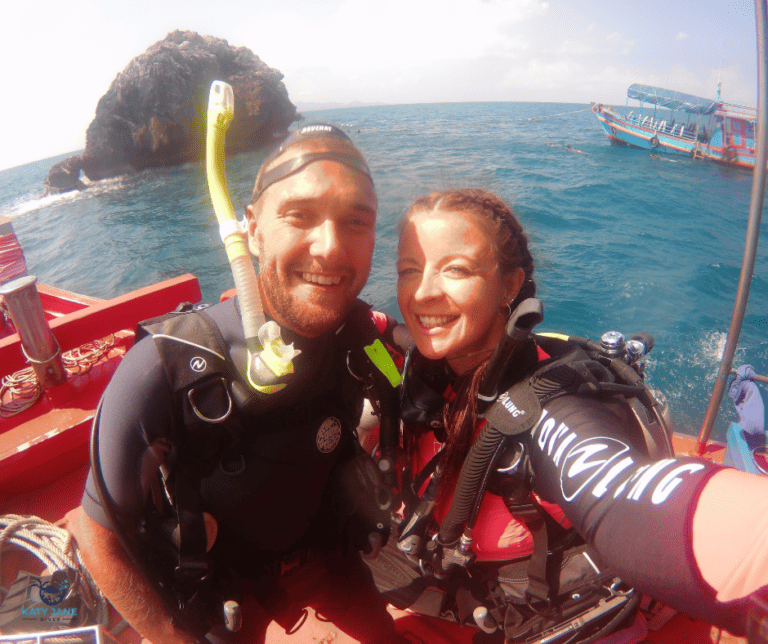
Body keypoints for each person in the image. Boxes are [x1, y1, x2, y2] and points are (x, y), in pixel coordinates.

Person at [77, 123, 411, 644]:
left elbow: (398, 384)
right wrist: (170, 637)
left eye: (356, 221)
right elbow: (96, 536)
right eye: (299, 216)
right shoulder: (162, 368)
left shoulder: (363, 336)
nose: (330, 247)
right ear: (252, 231)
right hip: (216, 595)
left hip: (329, 558)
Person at [394, 187, 768, 637]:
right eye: (408, 270)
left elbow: (624, 494)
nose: (422, 292)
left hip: (553, 617)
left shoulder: (553, 413)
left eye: (455, 269)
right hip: (466, 589)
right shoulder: (425, 367)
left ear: (510, 285)